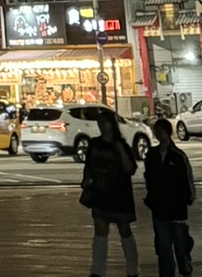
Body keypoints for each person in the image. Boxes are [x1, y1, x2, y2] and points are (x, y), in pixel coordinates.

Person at [80, 111, 140, 276]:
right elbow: (89, 166)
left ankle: (132, 268)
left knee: (124, 230)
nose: (101, 126)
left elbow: (130, 169)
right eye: (99, 123)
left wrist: (120, 151)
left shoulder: (120, 145)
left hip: (119, 193)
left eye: (104, 122)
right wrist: (86, 181)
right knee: (100, 231)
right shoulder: (95, 144)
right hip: (100, 193)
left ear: (111, 124)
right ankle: (97, 270)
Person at [142, 117, 195, 277]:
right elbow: (149, 178)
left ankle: (185, 265)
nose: (159, 135)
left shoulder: (178, 156)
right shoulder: (152, 155)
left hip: (177, 205)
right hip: (159, 206)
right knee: (163, 246)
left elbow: (187, 178)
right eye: (156, 132)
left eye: (161, 132)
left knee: (180, 244)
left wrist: (189, 197)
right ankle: (167, 272)